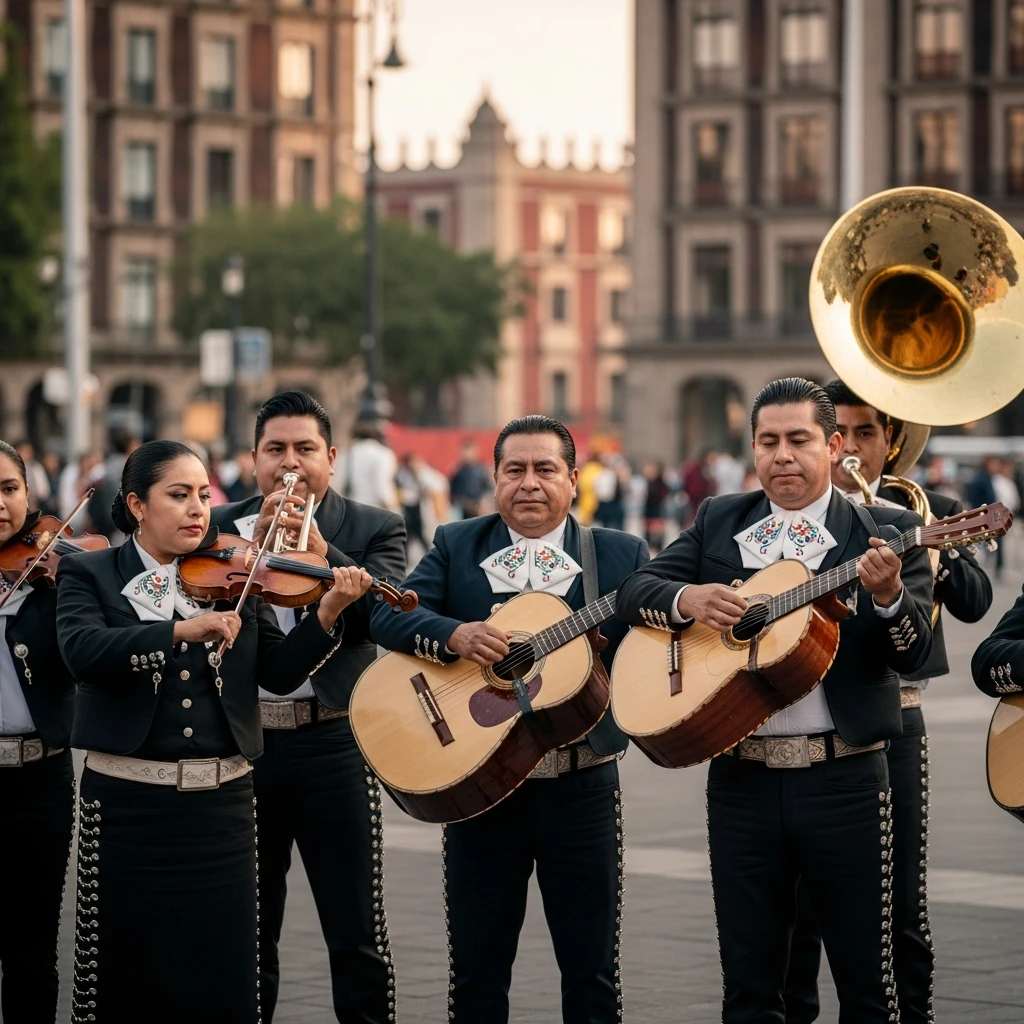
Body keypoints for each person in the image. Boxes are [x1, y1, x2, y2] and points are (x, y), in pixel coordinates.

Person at [615, 378, 934, 1023]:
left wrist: (889, 597)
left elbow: (915, 653)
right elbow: (633, 591)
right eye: (768, 441)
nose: (782, 455)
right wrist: (689, 600)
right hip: (742, 781)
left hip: (845, 778)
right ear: (752, 448)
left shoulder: (888, 530)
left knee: (868, 985)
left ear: (834, 445)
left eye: (799, 440)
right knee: (751, 986)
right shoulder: (720, 519)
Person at [56, 439, 367, 1023]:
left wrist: (324, 616)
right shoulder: (90, 571)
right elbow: (81, 652)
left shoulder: (235, 571)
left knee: (223, 978)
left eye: (203, 494)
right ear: (137, 505)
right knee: (124, 978)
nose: (199, 508)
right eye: (178, 495)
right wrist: (177, 632)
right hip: (129, 805)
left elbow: (275, 672)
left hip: (222, 808)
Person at [370, 415, 649, 1024]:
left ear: (573, 480)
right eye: (514, 470)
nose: (530, 483)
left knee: (593, 974)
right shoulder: (456, 543)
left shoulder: (619, 555)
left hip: (582, 785)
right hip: (481, 788)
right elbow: (386, 620)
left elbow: (654, 651)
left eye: (545, 469)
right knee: (475, 974)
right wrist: (454, 635)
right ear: (493, 479)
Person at [782, 380, 992, 1024]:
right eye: (840, 434)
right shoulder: (787, 519)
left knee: (897, 897)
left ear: (891, 442)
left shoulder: (924, 509)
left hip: (892, 716)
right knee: (796, 912)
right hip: (801, 711)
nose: (851, 451)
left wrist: (926, 544)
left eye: (867, 434)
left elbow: (977, 603)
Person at [209, 391, 407, 1024]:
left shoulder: (374, 527)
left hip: (334, 743)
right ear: (254, 458)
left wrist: (324, 555)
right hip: (244, 747)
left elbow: (385, 613)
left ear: (331, 457)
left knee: (355, 930)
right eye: (275, 450)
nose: (288, 463)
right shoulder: (217, 531)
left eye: (303, 449)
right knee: (246, 929)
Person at [0, 440, 78, 1022]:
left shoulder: (54, 575)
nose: (1, 504)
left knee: (32, 949)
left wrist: (70, 582)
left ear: (30, 495)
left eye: (9, 489)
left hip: (41, 775)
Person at [345, 420, 400, 513]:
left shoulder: (346, 453)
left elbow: (338, 484)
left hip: (350, 509)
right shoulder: (383, 453)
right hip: (376, 510)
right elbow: (382, 486)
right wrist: (393, 510)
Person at [448, 438, 490, 519]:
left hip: (479, 511)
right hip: (462, 512)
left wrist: (482, 504)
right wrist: (466, 504)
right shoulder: (458, 473)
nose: (467, 454)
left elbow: (488, 490)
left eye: (470, 451)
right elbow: (452, 494)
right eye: (464, 451)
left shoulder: (482, 471)